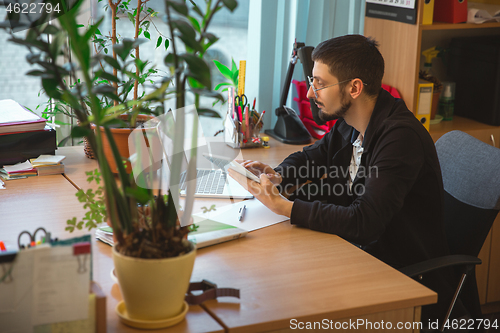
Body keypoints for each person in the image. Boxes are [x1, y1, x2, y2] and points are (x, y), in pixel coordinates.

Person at [228, 34, 464, 322]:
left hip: (402, 274)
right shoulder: (352, 122)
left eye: (320, 83)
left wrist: (283, 207)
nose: (309, 94)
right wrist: (278, 176)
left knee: (283, 300)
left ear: (354, 88)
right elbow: (311, 156)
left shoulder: (400, 139)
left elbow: (364, 222)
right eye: (312, 80)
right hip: (360, 253)